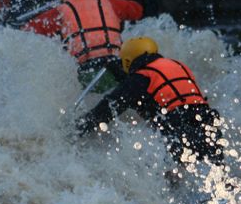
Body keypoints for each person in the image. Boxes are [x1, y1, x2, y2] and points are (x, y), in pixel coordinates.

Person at [75, 36, 224, 167]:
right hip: (208, 123)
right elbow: (148, 87)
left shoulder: (142, 78)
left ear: (128, 59)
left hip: (179, 128)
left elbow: (107, 109)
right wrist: (117, 72)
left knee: (163, 170)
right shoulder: (177, 65)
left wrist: (75, 129)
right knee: (212, 170)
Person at [22, 0, 143, 92]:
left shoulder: (58, 12)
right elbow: (137, 9)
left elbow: (26, 33)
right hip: (119, 70)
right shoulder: (109, 2)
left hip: (88, 75)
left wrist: (13, 23)